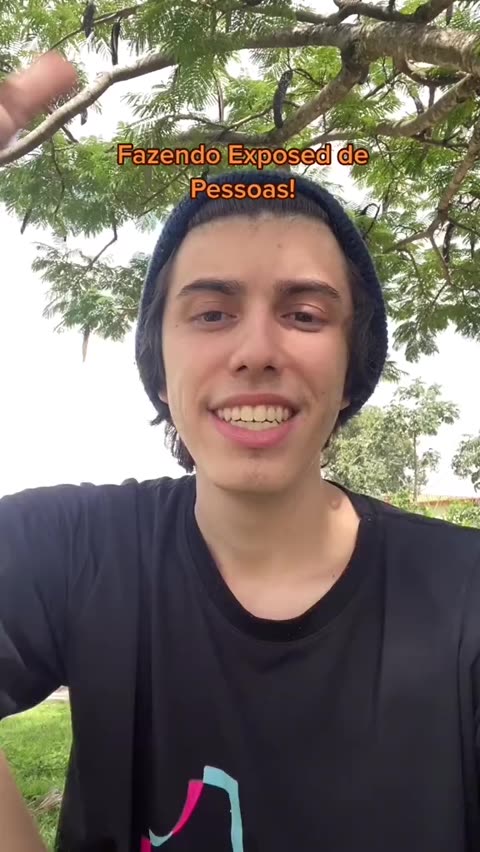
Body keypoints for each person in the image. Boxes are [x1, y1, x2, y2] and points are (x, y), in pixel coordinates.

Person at [1, 51, 480, 852]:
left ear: (353, 366)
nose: (256, 351)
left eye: (304, 314)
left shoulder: (465, 598)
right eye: (212, 313)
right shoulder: (74, 551)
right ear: (160, 368)